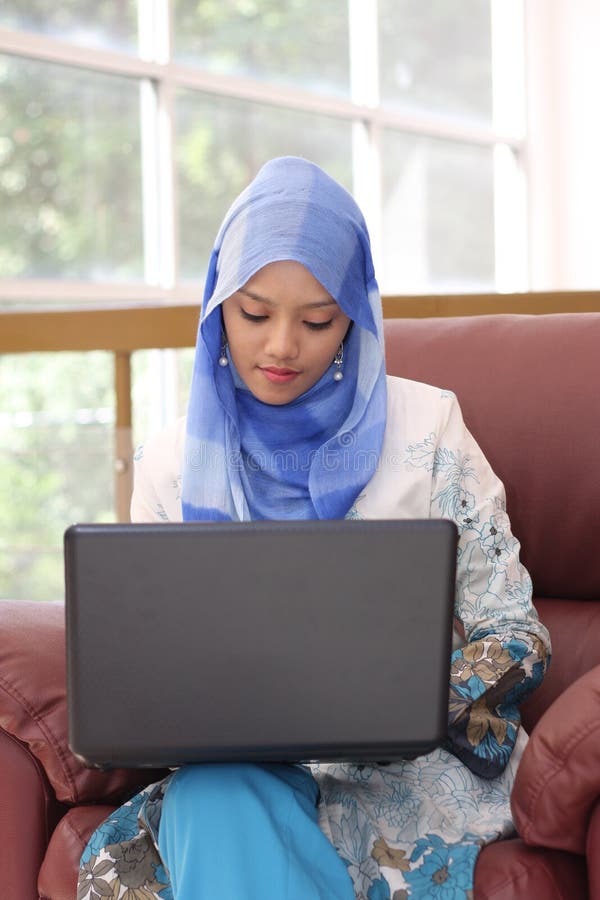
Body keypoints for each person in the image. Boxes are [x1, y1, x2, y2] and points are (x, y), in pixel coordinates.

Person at [77, 157, 550, 900]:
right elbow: (153, 668)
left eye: (319, 319)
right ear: (216, 306)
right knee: (215, 797)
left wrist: (403, 702)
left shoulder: (429, 427)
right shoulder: (170, 461)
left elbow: (514, 632)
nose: (281, 348)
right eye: (254, 313)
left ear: (356, 311)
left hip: (405, 773)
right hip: (234, 771)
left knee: (222, 818)